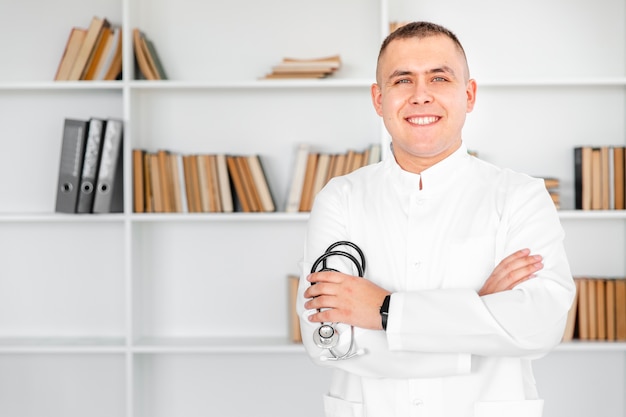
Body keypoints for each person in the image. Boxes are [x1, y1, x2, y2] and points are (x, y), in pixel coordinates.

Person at [296, 21, 576, 417]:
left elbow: (538, 328)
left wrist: (384, 311)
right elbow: (325, 341)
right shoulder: (339, 199)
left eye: (439, 78)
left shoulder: (521, 196)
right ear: (379, 99)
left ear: (469, 94)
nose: (420, 96)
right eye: (402, 80)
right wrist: (478, 313)